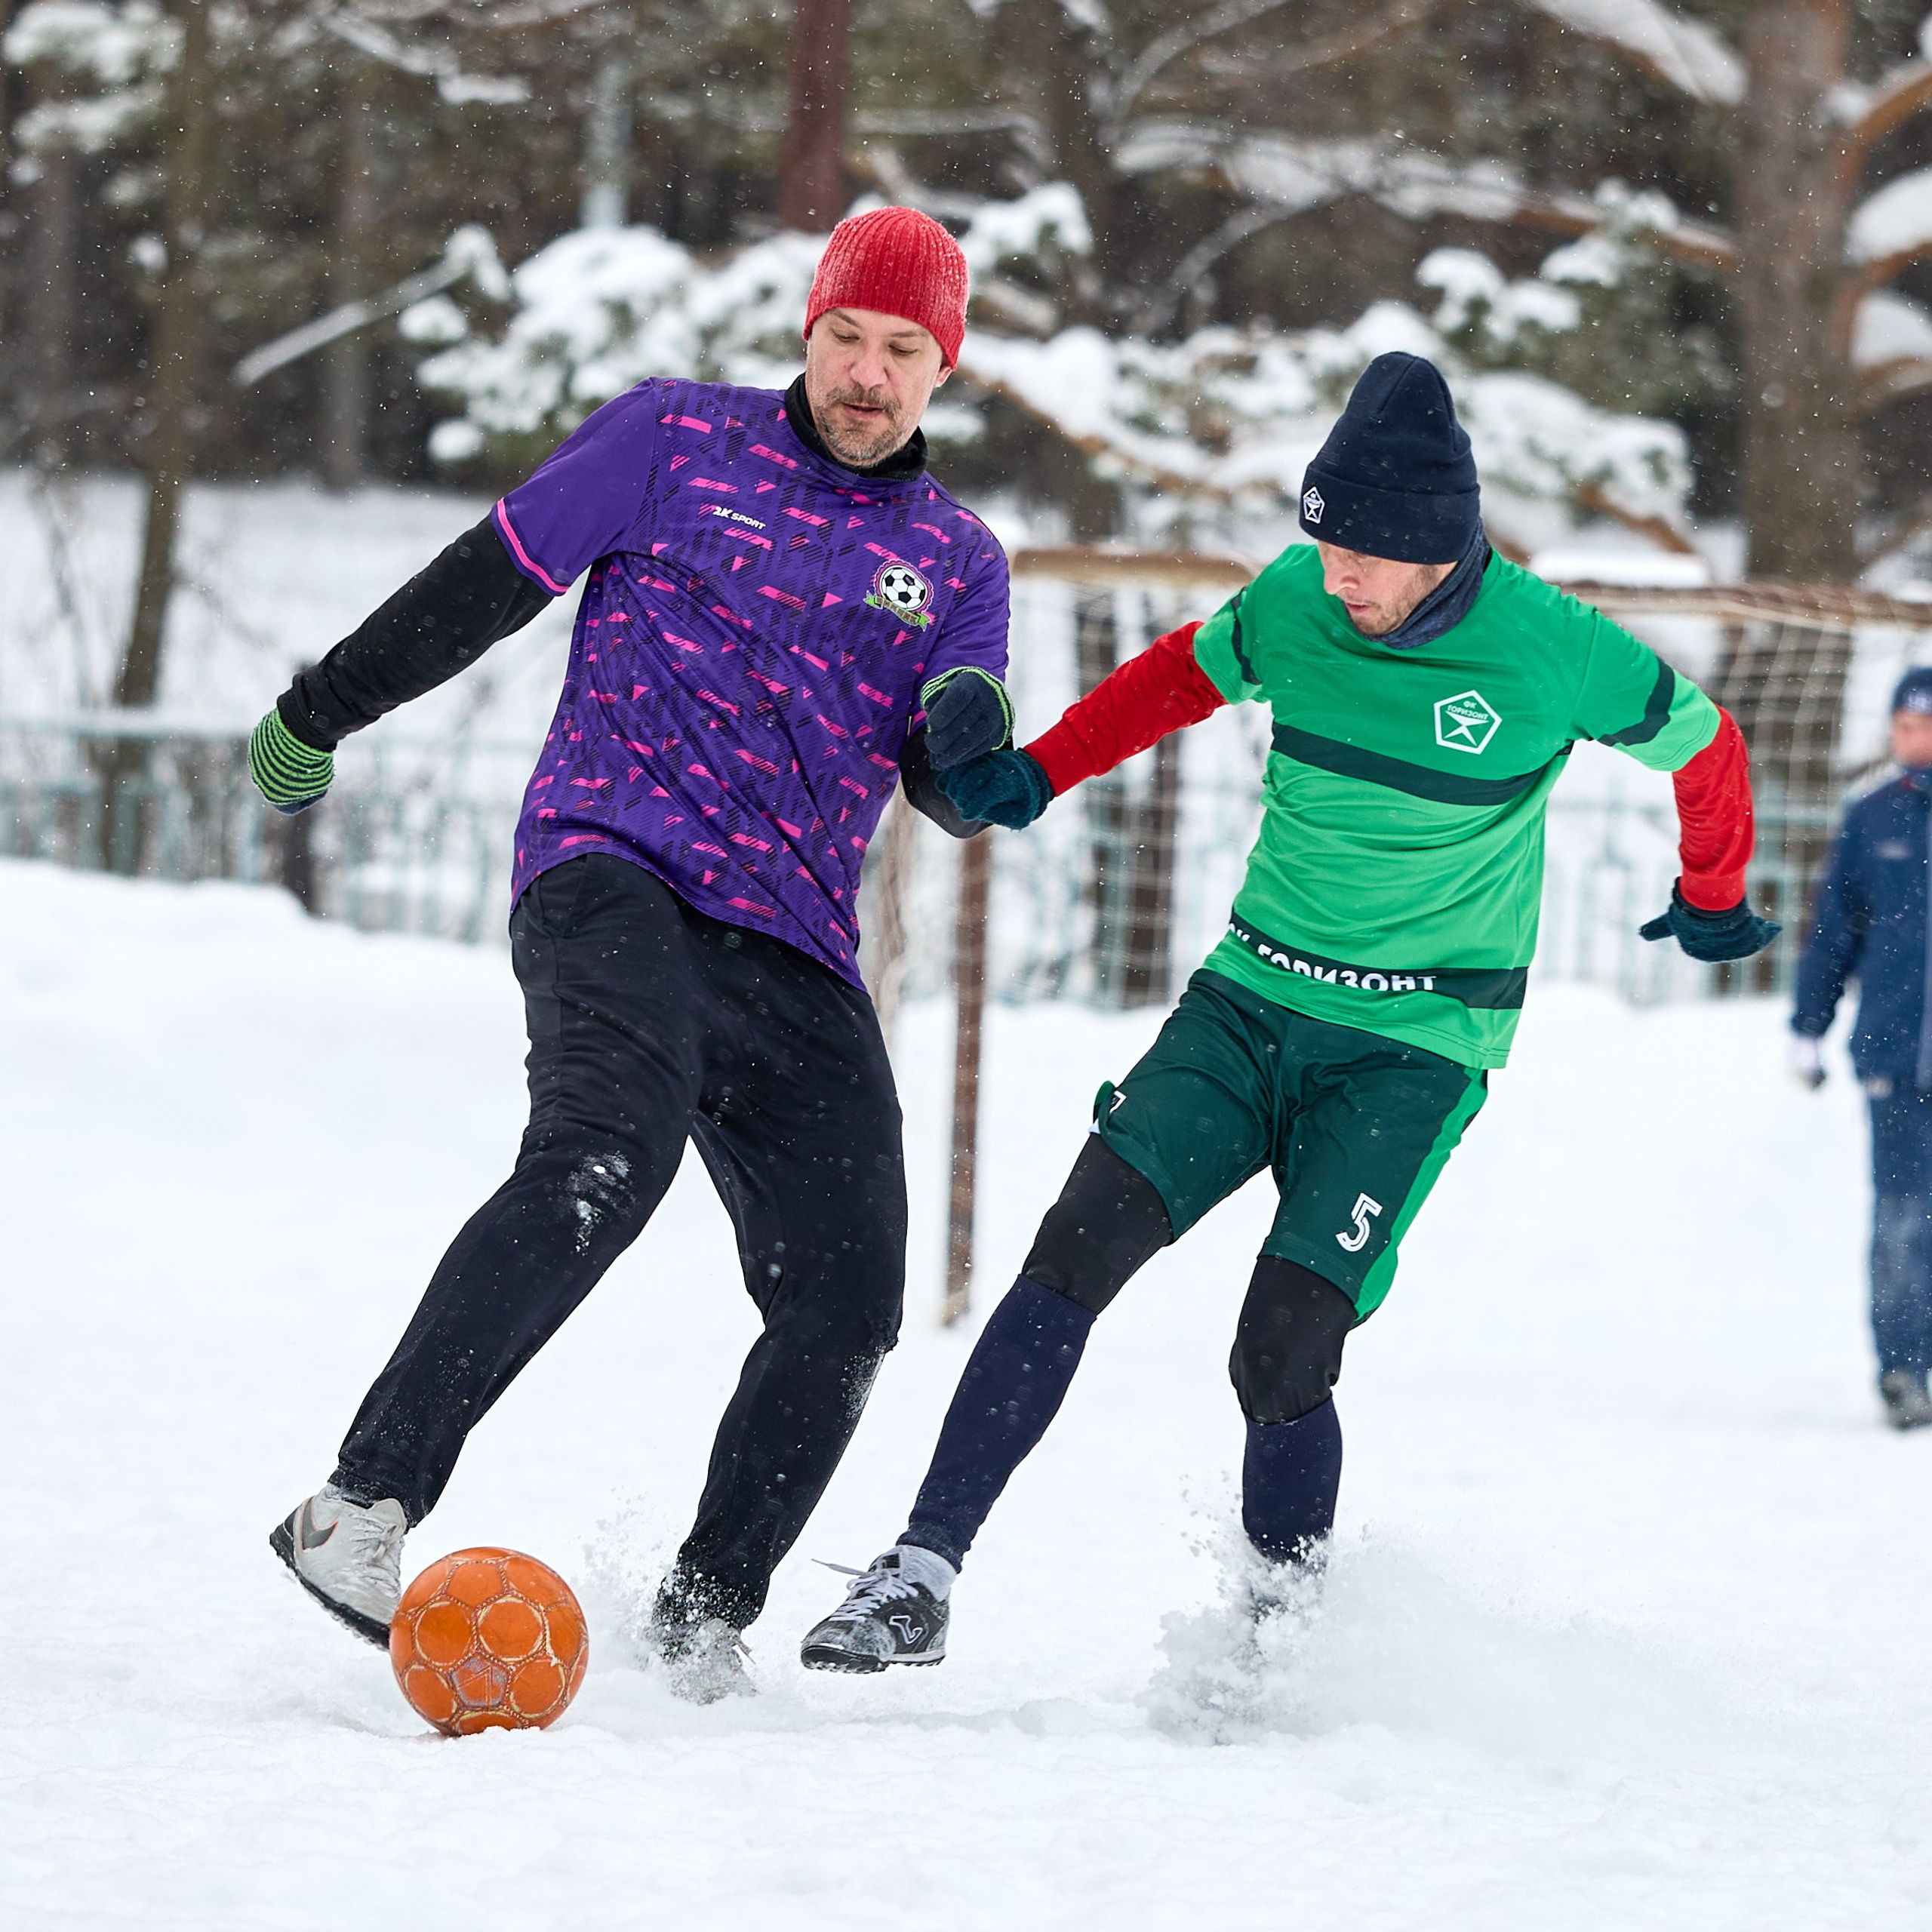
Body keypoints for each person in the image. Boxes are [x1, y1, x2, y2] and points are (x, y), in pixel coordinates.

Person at [798, 351, 1779, 1672]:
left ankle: (1282, 1643)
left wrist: (1713, 890)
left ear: (1440, 547)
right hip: (1249, 1004)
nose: (1336, 579)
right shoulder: (1296, 602)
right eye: (1322, 549)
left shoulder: (1554, 652)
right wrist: (1038, 774)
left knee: (1282, 1347)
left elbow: (1708, 741)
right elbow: (1173, 679)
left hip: (1415, 1050)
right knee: (1071, 1252)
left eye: (1363, 559)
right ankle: (919, 1574)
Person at [254, 206, 1018, 1700]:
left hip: (792, 941)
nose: (867, 375)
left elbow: (945, 765)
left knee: (853, 1288)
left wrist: (972, 741)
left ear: (942, 369)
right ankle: (358, 1502)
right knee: (608, 1149)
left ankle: (699, 1612)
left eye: (902, 351)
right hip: (613, 868)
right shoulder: (673, 442)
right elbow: (484, 586)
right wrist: (323, 706)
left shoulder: (954, 557)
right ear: (809, 332)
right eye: (846, 338)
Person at [1791, 668, 1932, 1430]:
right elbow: (1831, 936)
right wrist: (1806, 1027)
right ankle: (1903, 1372)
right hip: (1894, 1056)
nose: (1908, 740)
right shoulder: (1871, 817)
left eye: (1923, 726)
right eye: (1901, 725)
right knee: (1903, 1219)